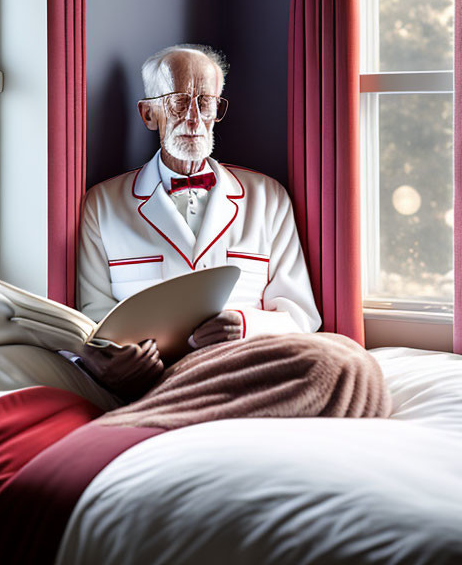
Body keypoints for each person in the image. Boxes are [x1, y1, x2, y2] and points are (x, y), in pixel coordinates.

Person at [76, 44, 321, 399]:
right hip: (157, 386)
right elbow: (93, 318)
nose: (193, 118)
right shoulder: (102, 205)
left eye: (205, 102)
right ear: (148, 115)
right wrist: (119, 361)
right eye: (178, 101)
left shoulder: (269, 198)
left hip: (251, 373)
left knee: (342, 361)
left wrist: (246, 326)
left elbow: (301, 317)